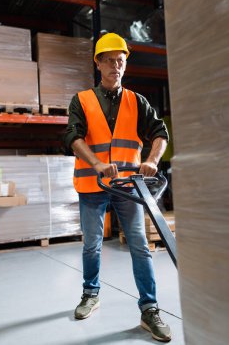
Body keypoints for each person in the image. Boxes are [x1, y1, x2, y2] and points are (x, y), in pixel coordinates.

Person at [64, 33, 171, 342]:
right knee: (92, 244)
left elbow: (159, 131)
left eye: (120, 61)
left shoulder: (137, 101)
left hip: (129, 186)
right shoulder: (82, 100)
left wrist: (152, 159)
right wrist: (97, 164)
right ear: (98, 63)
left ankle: (149, 309)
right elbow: (72, 135)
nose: (116, 66)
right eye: (109, 61)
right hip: (92, 183)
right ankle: (90, 294)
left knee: (139, 244)